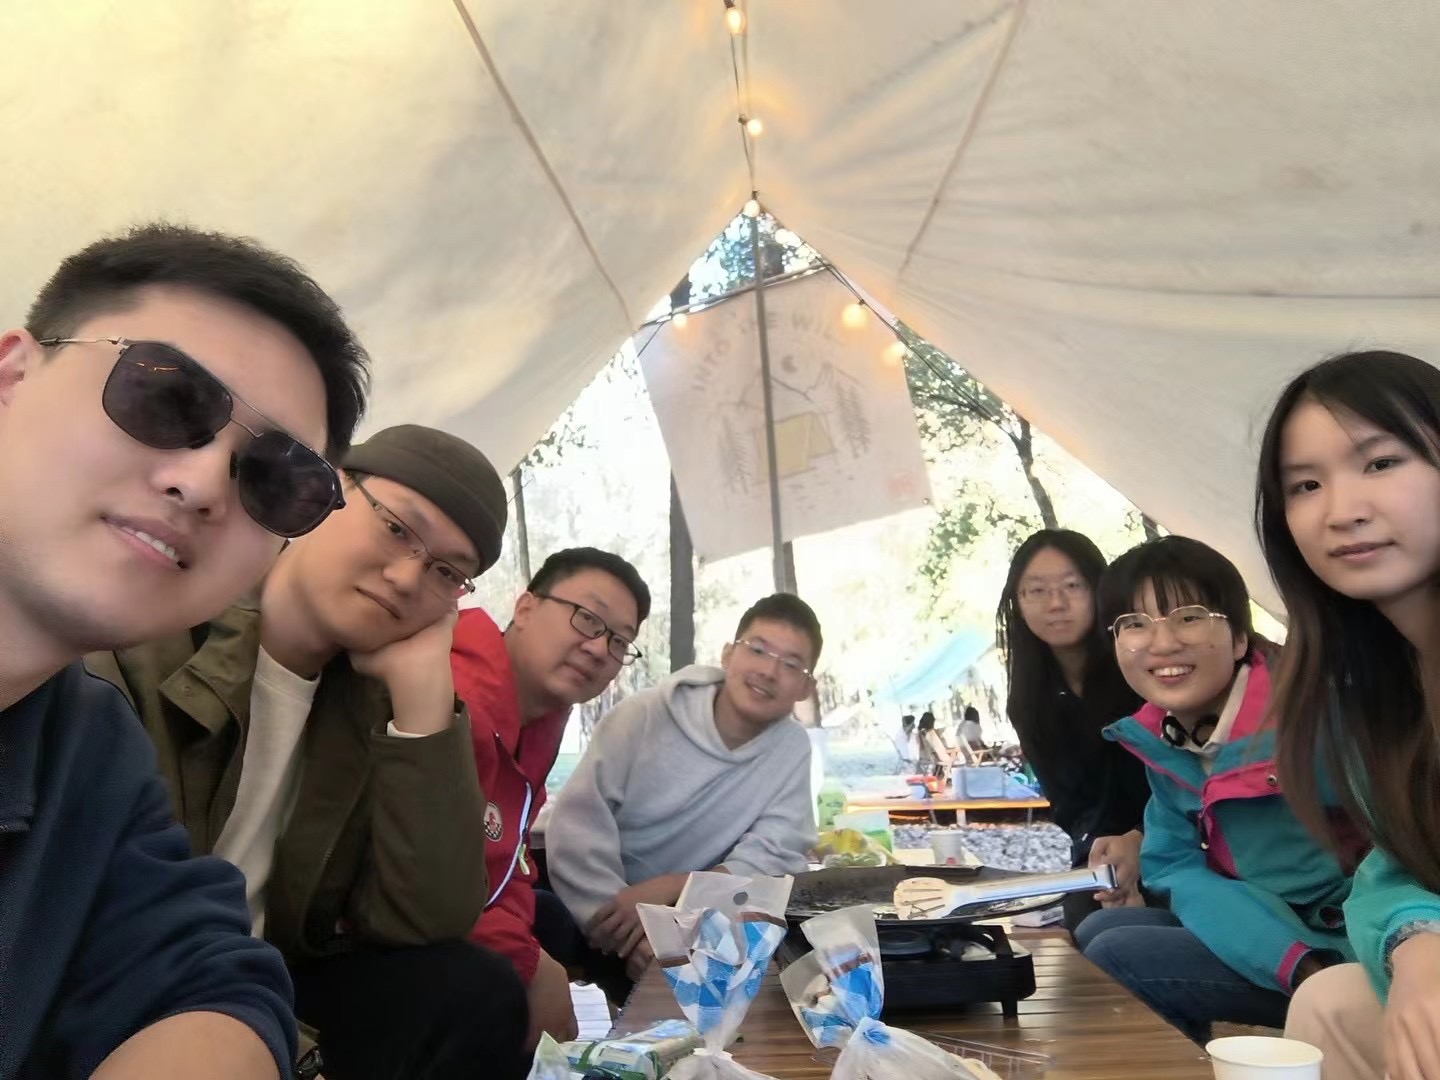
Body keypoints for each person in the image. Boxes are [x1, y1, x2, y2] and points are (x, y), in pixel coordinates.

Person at [0, 223, 369, 1076]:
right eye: (164, 399)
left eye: (275, 479)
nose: (202, 483)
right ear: (13, 376)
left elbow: (209, 975)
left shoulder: (88, 749)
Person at [89, 424, 530, 1080]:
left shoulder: (367, 707)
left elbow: (429, 919)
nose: (406, 577)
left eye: (446, 572)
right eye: (396, 528)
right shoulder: (159, 625)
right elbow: (93, 913)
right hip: (123, 981)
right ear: (327, 491)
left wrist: (424, 700)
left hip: (267, 982)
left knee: (474, 990)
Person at [1073, 536, 1358, 1043]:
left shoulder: (1315, 718)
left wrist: (1312, 964)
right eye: (1135, 624)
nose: (1162, 644)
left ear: (1240, 638)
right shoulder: (1163, 739)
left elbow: (1401, 849)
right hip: (1282, 938)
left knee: (1117, 952)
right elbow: (1174, 865)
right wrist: (1287, 957)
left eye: (1189, 617)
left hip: (1351, 943)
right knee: (1099, 928)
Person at [1251, 351, 1440, 1080]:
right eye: (1305, 484)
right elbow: (1393, 868)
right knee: (1333, 1003)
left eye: (1381, 462)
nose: (1342, 510)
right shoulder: (1377, 687)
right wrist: (1418, 937)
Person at [546, 592, 822, 993]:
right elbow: (577, 830)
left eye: (791, 664)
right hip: (601, 916)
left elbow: (774, 856)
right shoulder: (643, 716)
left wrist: (678, 889)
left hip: (699, 926)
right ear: (728, 654)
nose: (769, 671)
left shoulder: (791, 748)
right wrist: (628, 938)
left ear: (805, 687)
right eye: (758, 650)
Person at [450, 547, 651, 1048]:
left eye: (619, 640)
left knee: (552, 921)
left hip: (461, 908)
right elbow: (420, 884)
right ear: (525, 607)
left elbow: (508, 865)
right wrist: (531, 965)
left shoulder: (541, 722)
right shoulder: (451, 697)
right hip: (369, 940)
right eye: (587, 618)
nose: (599, 649)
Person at [996, 529, 1151, 931]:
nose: (1056, 603)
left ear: (1100, 589)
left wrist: (1140, 839)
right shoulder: (1029, 701)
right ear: (1018, 601)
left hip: (1177, 841)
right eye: (1037, 590)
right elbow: (1072, 811)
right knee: (1088, 924)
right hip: (1100, 856)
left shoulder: (1143, 668)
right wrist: (1105, 855)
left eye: (1072, 586)